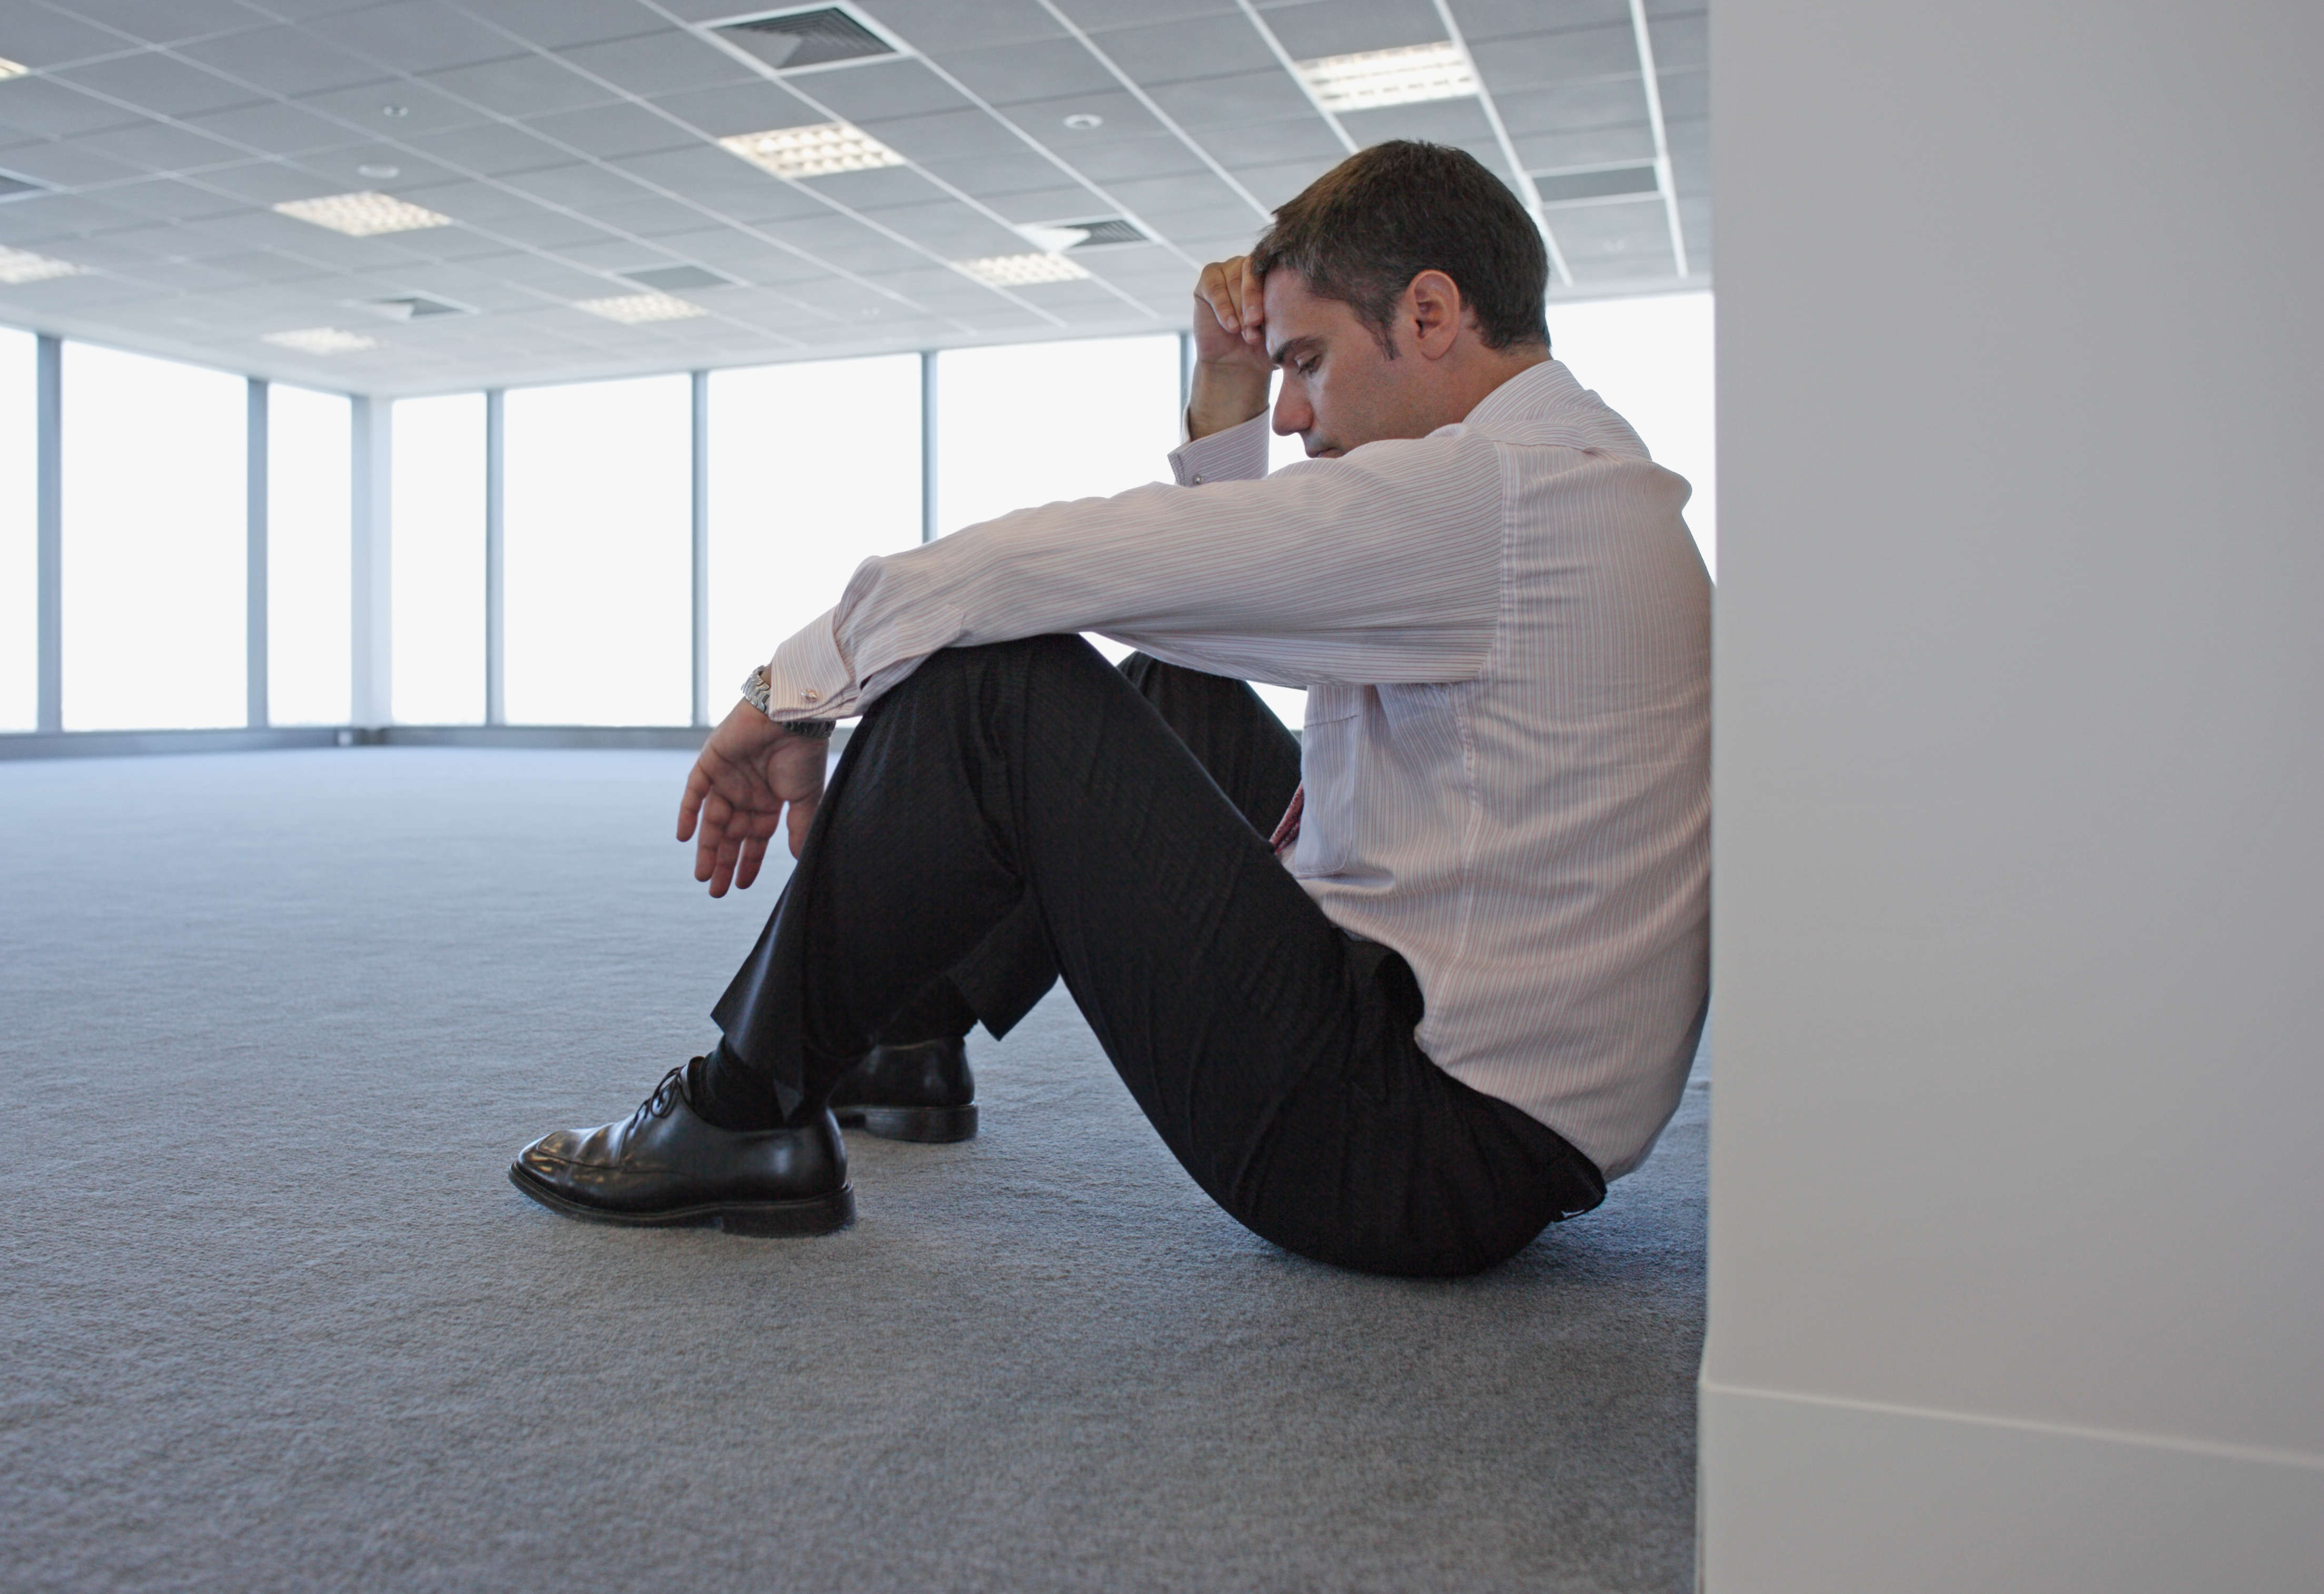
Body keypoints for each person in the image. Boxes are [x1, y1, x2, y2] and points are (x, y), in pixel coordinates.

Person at [508, 141, 1711, 1277]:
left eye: (1304, 363)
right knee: (1175, 689)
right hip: (1476, 1111)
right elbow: (1231, 592)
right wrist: (1226, 388)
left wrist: (792, 686)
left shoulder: (1497, 504)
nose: (1291, 416)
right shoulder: (1574, 488)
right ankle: (904, 1040)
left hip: (1409, 1149)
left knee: (996, 687)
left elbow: (1106, 565)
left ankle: (744, 1111)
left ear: (1430, 315)